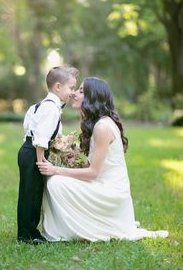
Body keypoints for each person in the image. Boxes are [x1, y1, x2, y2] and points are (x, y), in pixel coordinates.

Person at [37, 77, 168, 242]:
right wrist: (69, 159)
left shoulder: (102, 127)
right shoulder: (97, 124)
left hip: (111, 192)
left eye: (81, 91)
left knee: (55, 181)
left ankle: (70, 232)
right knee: (56, 179)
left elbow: (93, 173)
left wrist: (56, 169)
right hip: (101, 184)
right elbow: (93, 167)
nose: (74, 94)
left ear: (94, 97)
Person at [17, 65, 79, 244]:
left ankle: (25, 231)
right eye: (71, 88)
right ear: (58, 87)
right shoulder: (51, 108)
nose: (73, 93)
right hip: (34, 153)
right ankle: (28, 234)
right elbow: (41, 137)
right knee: (32, 193)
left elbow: (29, 127)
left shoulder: (44, 105)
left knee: (27, 192)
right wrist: (41, 161)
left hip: (28, 150)